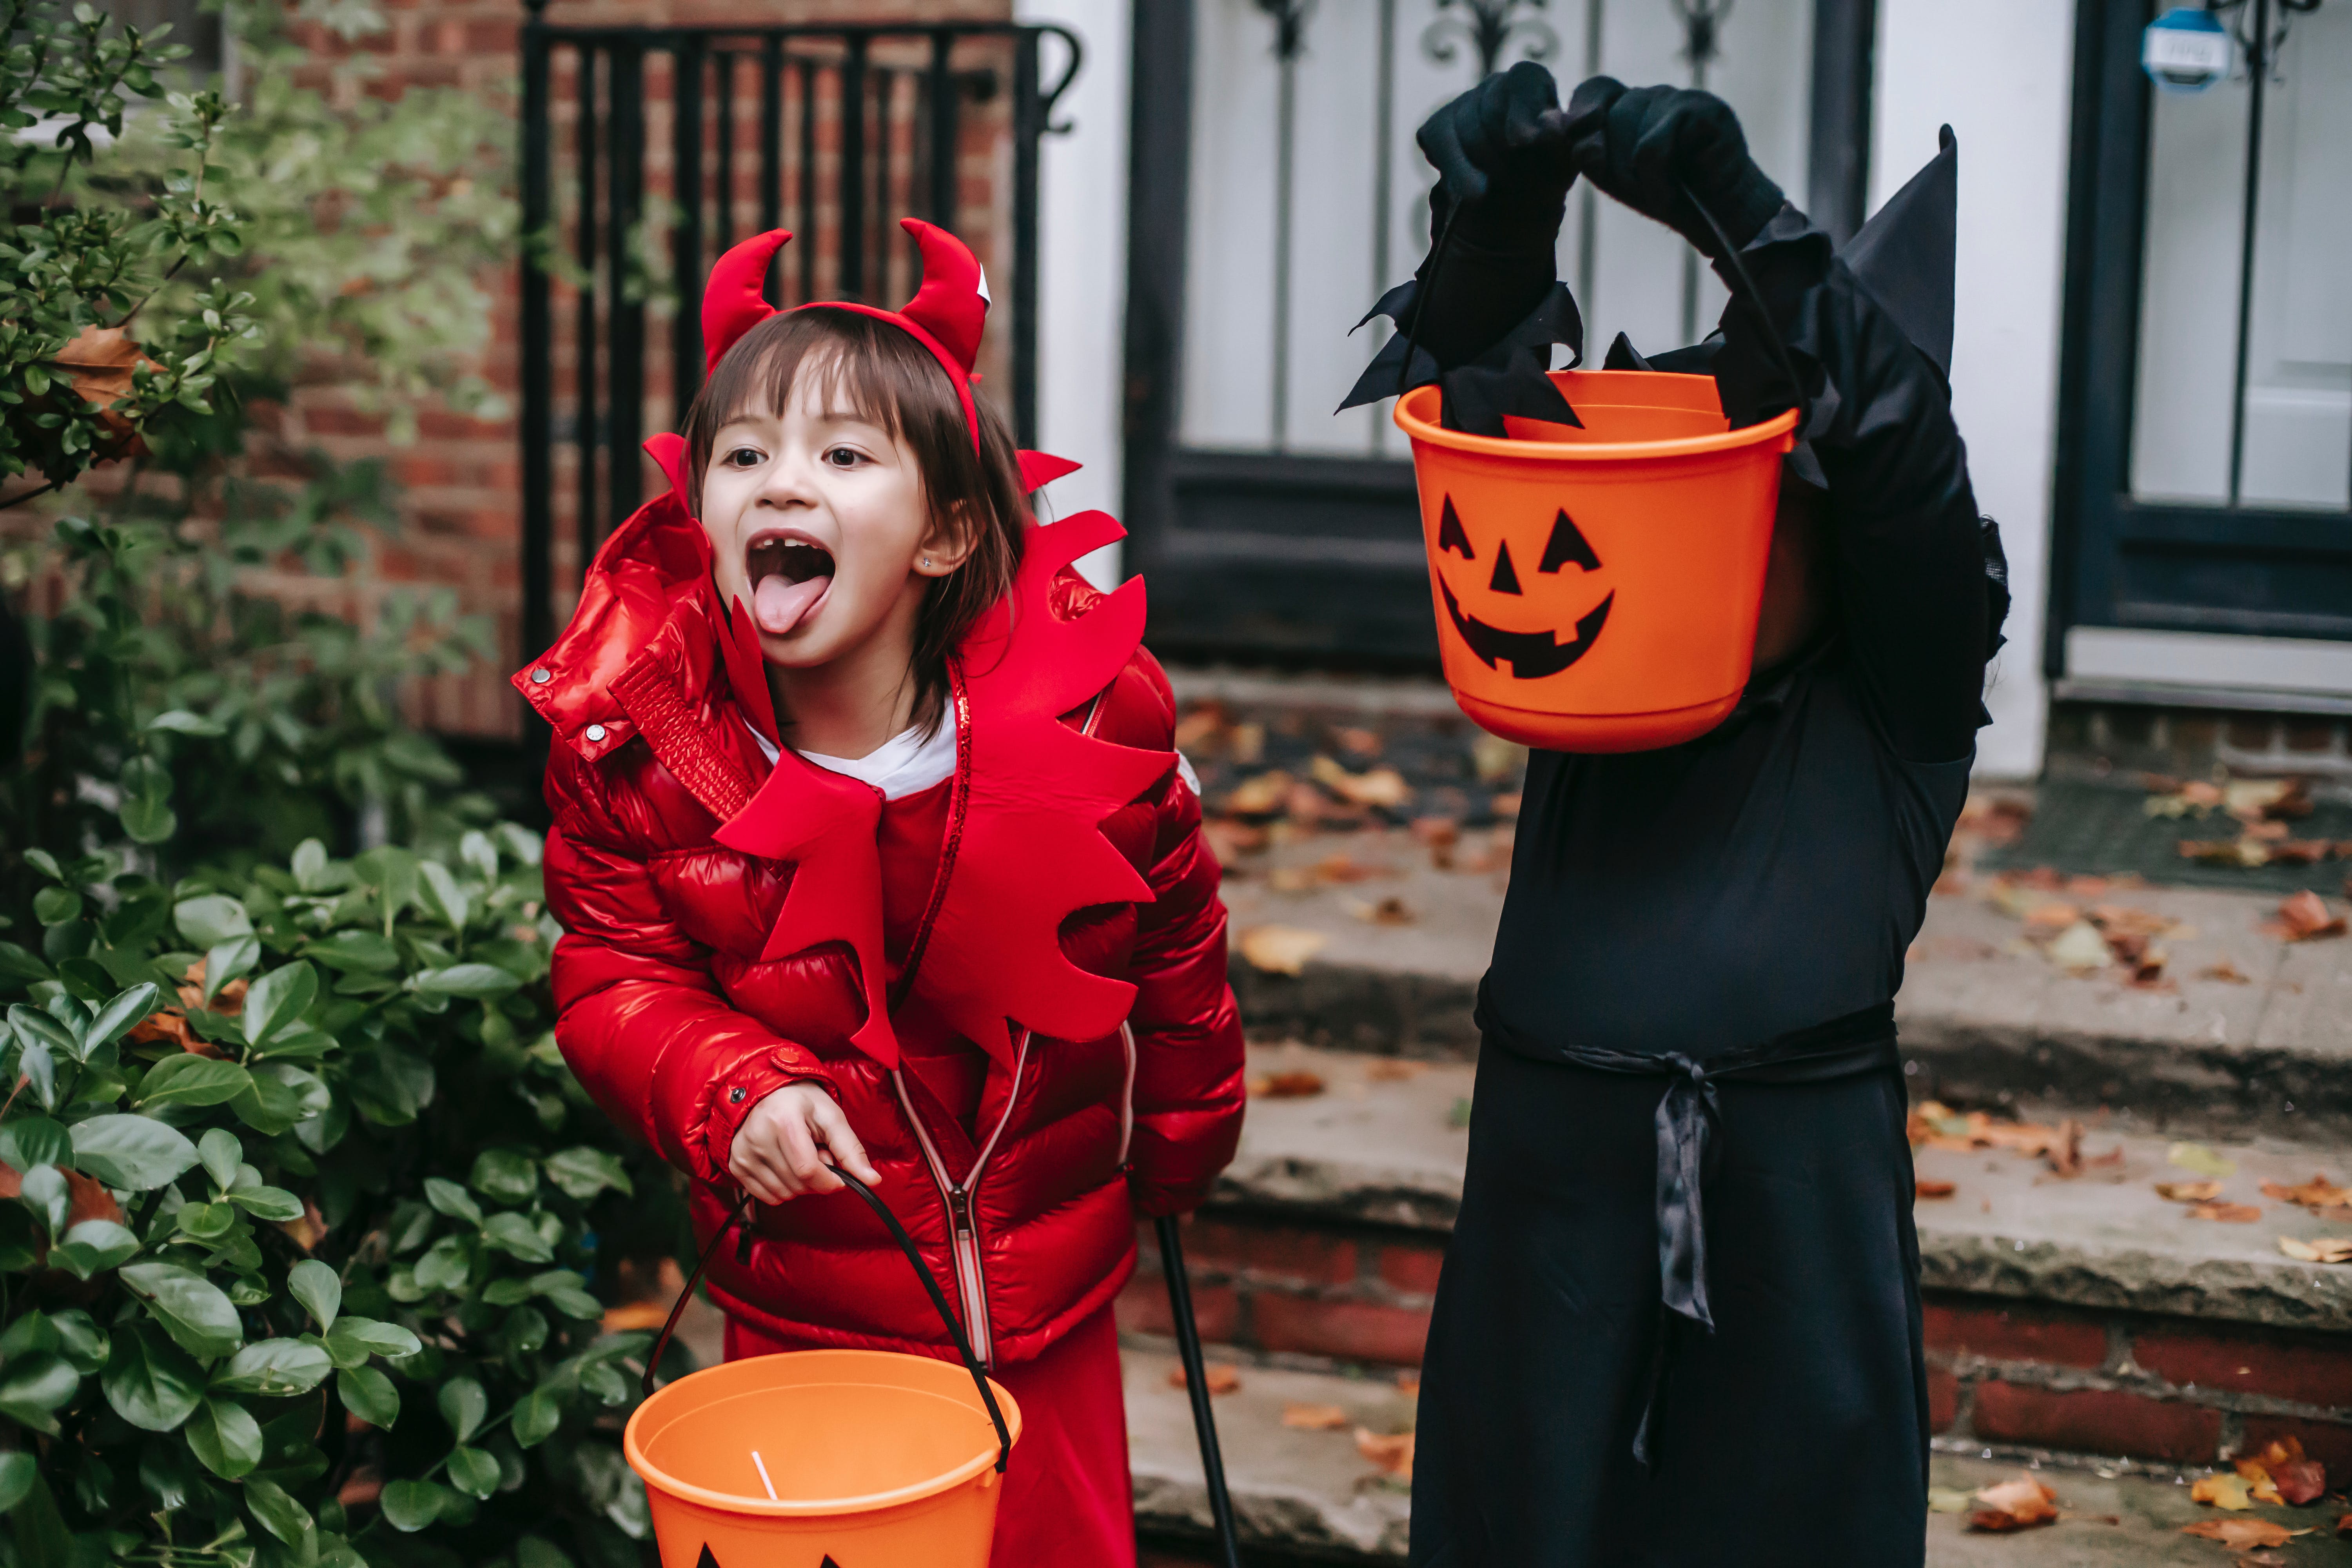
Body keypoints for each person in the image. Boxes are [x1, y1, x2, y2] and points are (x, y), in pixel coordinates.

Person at [1350, 66, 2008, 1566]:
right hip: (1546, 1223)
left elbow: (1906, 463)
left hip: (1791, 1238)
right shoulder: (1610, 682)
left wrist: (1744, 221)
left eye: (1757, 497)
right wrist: (1499, 234)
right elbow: (1498, 447)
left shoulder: (1901, 696)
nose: (1687, 530)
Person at [523, 220, 1246, 1568]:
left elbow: (1176, 942)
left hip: (1045, 1297)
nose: (782, 484)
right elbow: (616, 975)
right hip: (811, 1306)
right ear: (704, 507)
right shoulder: (642, 750)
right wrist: (733, 1089)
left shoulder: (1094, 722)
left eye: (845, 457)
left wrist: (1185, 1145)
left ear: (944, 532)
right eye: (746, 456)